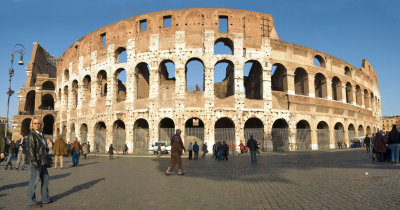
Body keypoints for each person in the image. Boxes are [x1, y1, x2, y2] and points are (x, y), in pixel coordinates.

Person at [26, 116, 52, 207]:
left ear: (41, 124)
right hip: (35, 162)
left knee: (45, 180)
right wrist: (34, 163)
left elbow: (43, 149)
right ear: (32, 125)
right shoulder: (31, 135)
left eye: (38, 123)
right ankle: (31, 201)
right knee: (33, 181)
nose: (37, 125)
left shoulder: (41, 135)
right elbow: (31, 151)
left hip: (42, 161)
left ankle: (45, 198)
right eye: (35, 123)